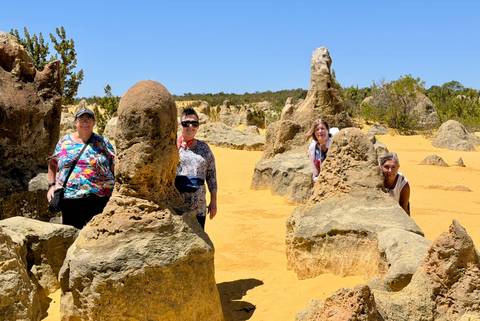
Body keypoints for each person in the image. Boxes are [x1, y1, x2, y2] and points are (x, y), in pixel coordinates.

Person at [47, 107, 115, 229]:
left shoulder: (103, 142)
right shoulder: (64, 142)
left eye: (89, 119)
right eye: (81, 119)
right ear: (75, 123)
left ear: (94, 123)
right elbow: (53, 163)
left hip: (98, 198)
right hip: (71, 198)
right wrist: (51, 186)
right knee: (72, 238)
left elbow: (114, 163)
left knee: (97, 238)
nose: (85, 122)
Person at [175, 108, 217, 230]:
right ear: (180, 124)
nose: (190, 126)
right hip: (177, 206)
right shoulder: (172, 146)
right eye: (186, 123)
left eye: (194, 123)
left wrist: (213, 202)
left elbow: (211, 176)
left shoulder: (204, 148)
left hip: (199, 207)